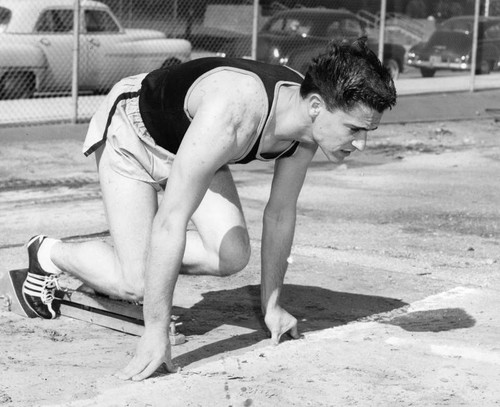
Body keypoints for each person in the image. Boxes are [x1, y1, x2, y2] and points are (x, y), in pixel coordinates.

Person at [22, 38, 396, 381]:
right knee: (136, 282)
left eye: (367, 132)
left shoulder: (307, 130)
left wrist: (273, 306)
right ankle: (48, 252)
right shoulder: (235, 112)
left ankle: (128, 247)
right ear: (316, 106)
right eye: (354, 130)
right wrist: (155, 331)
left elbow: (280, 214)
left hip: (195, 146)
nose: (360, 144)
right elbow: (171, 221)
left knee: (231, 255)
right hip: (134, 133)